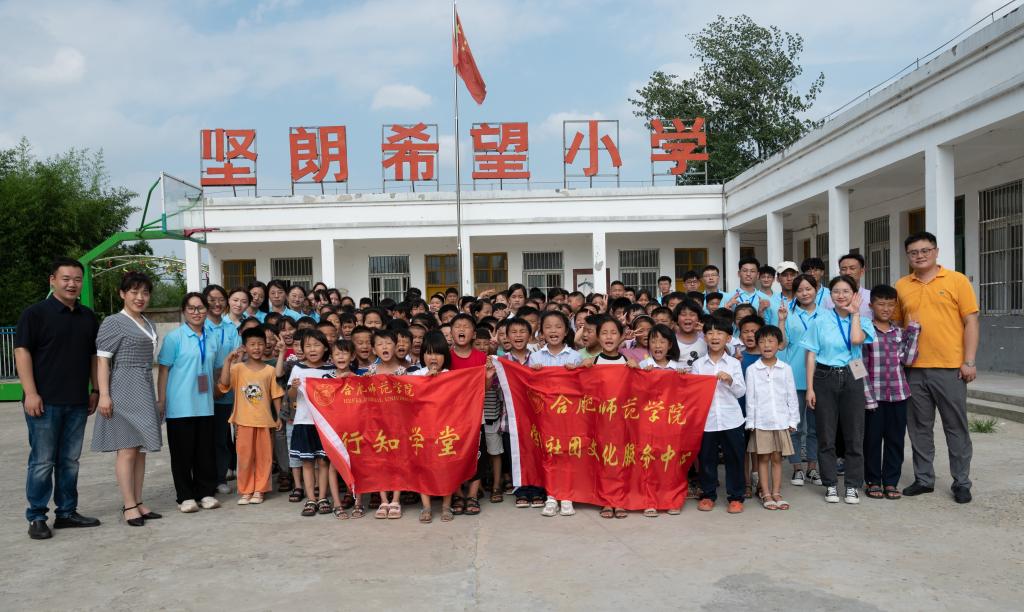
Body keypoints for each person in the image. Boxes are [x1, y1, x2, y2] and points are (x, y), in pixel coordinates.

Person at [15, 257, 102, 540]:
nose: (72, 284)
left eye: (77, 279)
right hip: (44, 402)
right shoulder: (35, 314)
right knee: (42, 461)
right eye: (66, 278)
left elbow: (93, 356)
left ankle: (66, 512)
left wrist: (95, 390)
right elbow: (22, 352)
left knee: (70, 461)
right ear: (52, 280)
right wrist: (30, 393)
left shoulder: (88, 317)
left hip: (77, 402)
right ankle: (37, 517)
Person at [895, 231, 979, 504]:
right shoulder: (902, 285)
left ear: (936, 251)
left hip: (950, 368)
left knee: (956, 427)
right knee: (919, 427)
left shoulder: (957, 280)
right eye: (913, 252)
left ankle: (962, 482)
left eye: (925, 250)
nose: (920, 256)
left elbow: (971, 322)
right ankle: (924, 479)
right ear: (908, 256)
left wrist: (969, 361)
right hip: (914, 369)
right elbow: (897, 326)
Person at [93, 271, 163, 527]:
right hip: (123, 387)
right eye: (134, 292)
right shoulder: (113, 322)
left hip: (144, 387)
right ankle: (129, 505)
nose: (140, 297)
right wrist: (104, 395)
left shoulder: (148, 323)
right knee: (127, 450)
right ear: (122, 294)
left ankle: (138, 500)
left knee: (141, 450)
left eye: (145, 292)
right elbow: (103, 361)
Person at [803, 275, 875, 505]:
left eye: (846, 291)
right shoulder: (820, 319)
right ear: (830, 295)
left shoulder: (863, 320)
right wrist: (810, 388)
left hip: (853, 375)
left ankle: (852, 485)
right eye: (836, 291)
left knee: (854, 434)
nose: (840, 295)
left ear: (855, 295)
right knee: (826, 434)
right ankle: (831, 484)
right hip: (824, 377)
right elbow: (811, 354)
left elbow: (856, 340)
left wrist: (855, 314)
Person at [157, 292, 223, 513]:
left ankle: (205, 493)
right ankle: (185, 496)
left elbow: (215, 369)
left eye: (201, 308)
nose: (197, 312)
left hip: (205, 405)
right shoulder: (174, 338)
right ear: (184, 311)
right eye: (192, 308)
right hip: (180, 405)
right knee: (182, 454)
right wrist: (162, 401)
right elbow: (163, 371)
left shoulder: (212, 337)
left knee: (205, 452)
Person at [863, 284, 921, 500]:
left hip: (898, 395)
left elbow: (908, 360)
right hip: (874, 397)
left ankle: (890, 481)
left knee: (895, 440)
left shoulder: (899, 332)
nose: (886, 309)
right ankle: (872, 481)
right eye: (881, 304)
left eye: (890, 305)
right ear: (871, 306)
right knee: (872, 440)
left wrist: (913, 333)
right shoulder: (865, 332)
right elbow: (858, 366)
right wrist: (867, 396)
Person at [529, 311, 582, 517]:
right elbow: (530, 387)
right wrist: (534, 373)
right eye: (548, 327)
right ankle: (551, 496)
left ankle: (567, 495)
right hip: (545, 417)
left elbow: (582, 387)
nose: (553, 331)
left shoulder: (574, 356)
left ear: (566, 331)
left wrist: (575, 371)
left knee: (568, 454)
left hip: (568, 417)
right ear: (541, 332)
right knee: (549, 454)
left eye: (558, 326)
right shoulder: (536, 357)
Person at [693, 315, 747, 514]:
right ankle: (708, 495)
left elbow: (741, 392)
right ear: (704, 337)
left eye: (719, 333)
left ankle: (736, 497)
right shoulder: (698, 365)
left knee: (735, 458)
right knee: (707, 458)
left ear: (728, 338)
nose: (714, 337)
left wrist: (730, 380)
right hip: (707, 420)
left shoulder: (733, 363)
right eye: (710, 333)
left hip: (731, 419)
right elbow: (694, 394)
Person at [744, 325, 800, 511]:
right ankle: (766, 493)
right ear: (757, 345)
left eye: (771, 341)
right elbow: (750, 398)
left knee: (777, 459)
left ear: (779, 344)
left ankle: (776, 492)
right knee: (763, 459)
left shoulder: (786, 368)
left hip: (781, 421)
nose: (766, 345)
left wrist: (793, 420)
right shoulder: (752, 369)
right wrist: (751, 422)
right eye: (762, 341)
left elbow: (791, 396)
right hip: (761, 422)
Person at [287, 330, 337, 517]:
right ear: (302, 349)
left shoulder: (331, 369)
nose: (312, 349)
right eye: (308, 346)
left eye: (316, 345)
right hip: (304, 422)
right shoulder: (297, 369)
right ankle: (311, 499)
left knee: (323, 462)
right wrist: (294, 387)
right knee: (307, 462)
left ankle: (322, 497)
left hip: (324, 424)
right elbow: (291, 396)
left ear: (325, 348)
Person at [781, 274, 822, 487]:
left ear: (816, 289)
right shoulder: (788, 314)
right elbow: (781, 344)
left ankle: (812, 467)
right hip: (794, 377)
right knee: (795, 426)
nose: (805, 293)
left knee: (815, 427)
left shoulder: (826, 315)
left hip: (820, 378)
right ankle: (797, 467)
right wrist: (781, 321)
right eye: (800, 290)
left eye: (808, 289)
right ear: (795, 293)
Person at [410, 331, 454, 522]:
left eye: (437, 353)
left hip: (445, 429)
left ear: (445, 356)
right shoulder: (416, 374)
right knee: (423, 467)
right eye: (428, 353)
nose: (433, 357)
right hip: (421, 430)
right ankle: (426, 506)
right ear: (422, 355)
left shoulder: (451, 376)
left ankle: (446, 506)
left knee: (446, 467)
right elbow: (408, 400)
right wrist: (426, 381)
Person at [204, 284, 238, 494]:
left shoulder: (230, 327)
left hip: (226, 388)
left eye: (221, 299)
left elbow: (237, 356)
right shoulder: (200, 326)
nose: (217, 304)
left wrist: (222, 377)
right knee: (203, 437)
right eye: (212, 299)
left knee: (221, 436)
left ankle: (220, 478)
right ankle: (204, 478)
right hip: (201, 388)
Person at [837, 253, 873, 318]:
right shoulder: (830, 299)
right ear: (840, 273)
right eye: (844, 269)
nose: (848, 272)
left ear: (862, 271)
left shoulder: (871, 297)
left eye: (852, 268)